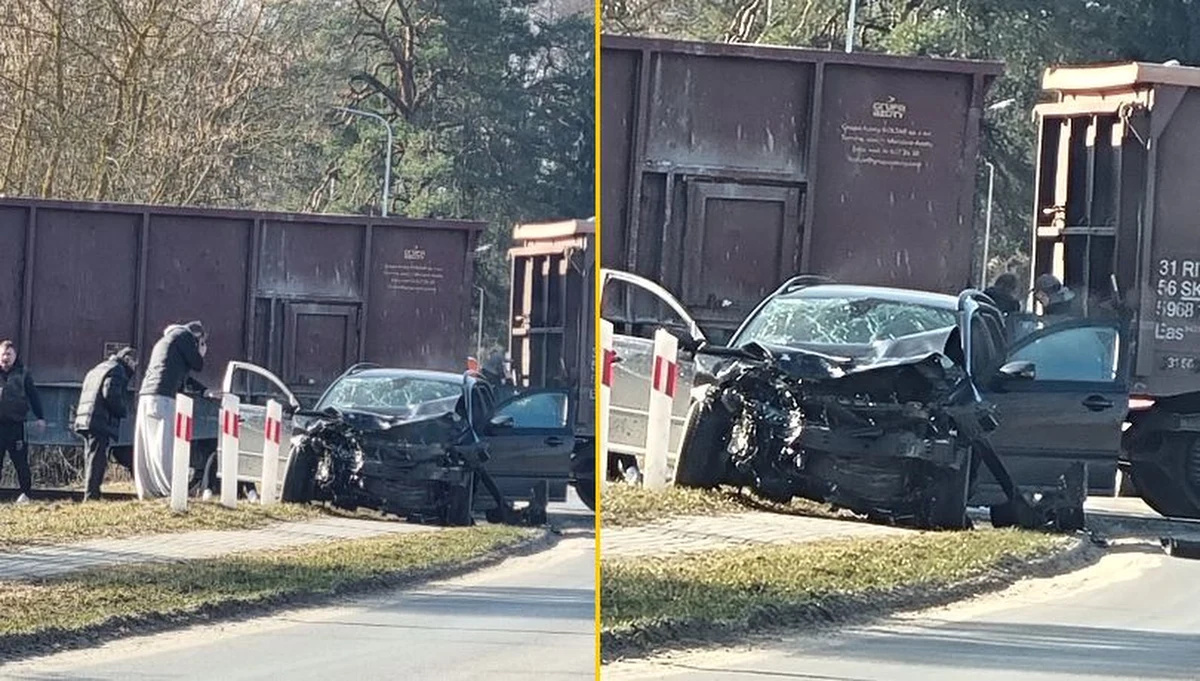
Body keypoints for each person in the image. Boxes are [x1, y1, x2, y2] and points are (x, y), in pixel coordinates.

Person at [133, 322, 207, 499]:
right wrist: (201, 352)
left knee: (146, 447)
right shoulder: (184, 336)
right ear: (196, 338)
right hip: (164, 397)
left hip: (146, 395)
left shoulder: (164, 342)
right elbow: (197, 364)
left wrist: (204, 390)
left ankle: (148, 490)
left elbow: (180, 375)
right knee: (164, 444)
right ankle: (171, 491)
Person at [74, 347, 138, 501]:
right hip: (99, 419)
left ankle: (90, 494)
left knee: (91, 458)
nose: (134, 368)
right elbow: (110, 394)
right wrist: (122, 411)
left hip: (86, 417)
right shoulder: (117, 370)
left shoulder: (99, 368)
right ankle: (92, 496)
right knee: (97, 460)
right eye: (134, 363)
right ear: (127, 360)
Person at [0, 340, 46, 504]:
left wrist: (40, 417)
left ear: (15, 356)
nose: (6, 358)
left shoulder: (23, 374)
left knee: (20, 462)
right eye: (3, 354)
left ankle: (26, 494)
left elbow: (33, 396)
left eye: (9, 354)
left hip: (16, 426)